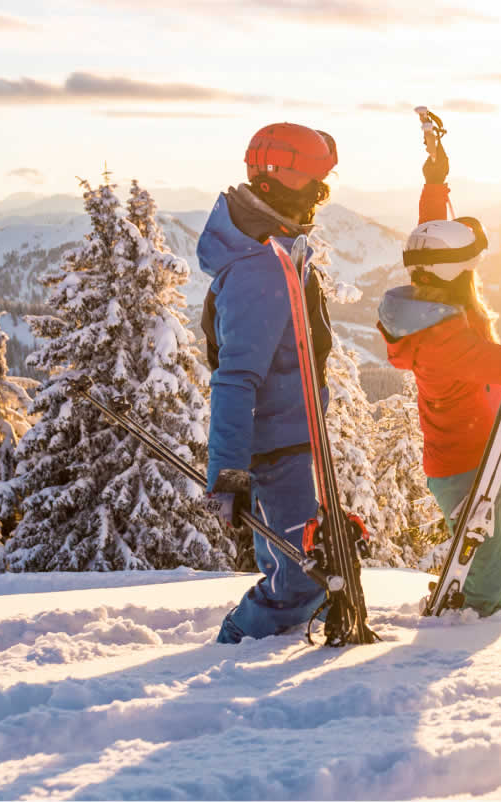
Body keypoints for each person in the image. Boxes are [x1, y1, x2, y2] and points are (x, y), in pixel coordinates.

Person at [378, 133, 501, 617]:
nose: (476, 270)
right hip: (465, 467)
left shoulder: (432, 300)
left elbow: (431, 237)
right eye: (471, 265)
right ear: (458, 273)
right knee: (487, 572)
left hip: (488, 452)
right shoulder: (445, 341)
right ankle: (469, 642)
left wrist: (435, 183)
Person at [199, 121, 340, 644]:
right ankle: (235, 648)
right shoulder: (260, 267)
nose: (321, 198)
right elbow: (235, 379)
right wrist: (229, 470)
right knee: (296, 583)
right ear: (275, 184)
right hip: (275, 451)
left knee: (315, 565)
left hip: (294, 442)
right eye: (313, 185)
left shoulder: (278, 248)